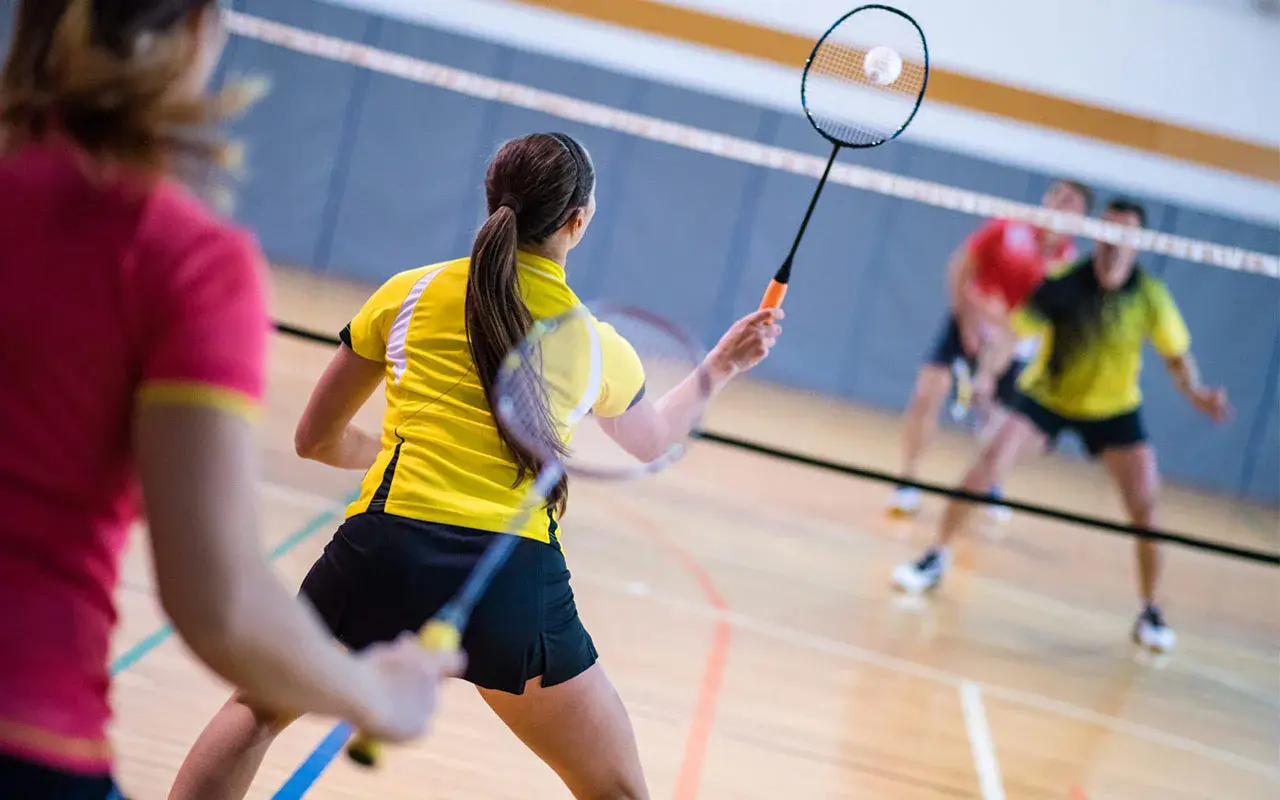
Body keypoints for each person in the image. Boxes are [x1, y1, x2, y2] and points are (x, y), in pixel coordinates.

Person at [169, 132, 783, 800]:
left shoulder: (410, 293)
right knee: (617, 792)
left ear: (494, 199)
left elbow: (315, 438)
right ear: (578, 222)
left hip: (382, 549)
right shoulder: (596, 345)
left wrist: (388, 456)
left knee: (256, 710)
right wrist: (721, 365)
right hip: (511, 581)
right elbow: (652, 438)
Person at [0, 2, 460, 797]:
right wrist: (375, 694)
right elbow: (220, 604)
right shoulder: (182, 259)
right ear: (194, 32)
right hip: (28, 735)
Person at [891, 199, 1230, 653]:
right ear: (1095, 233)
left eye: (1125, 233)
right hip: (1047, 399)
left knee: (1147, 510)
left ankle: (1150, 609)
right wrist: (989, 374)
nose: (1114, 241)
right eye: (1107, 230)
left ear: (1140, 242)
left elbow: (1175, 355)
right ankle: (935, 556)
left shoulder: (1149, 294)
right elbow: (1013, 333)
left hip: (1114, 410)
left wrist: (1197, 392)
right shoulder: (1062, 284)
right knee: (985, 466)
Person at [889, 180, 1093, 522]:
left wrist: (989, 369)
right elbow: (960, 268)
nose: (1058, 203)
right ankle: (906, 481)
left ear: (1081, 215)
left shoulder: (1068, 265)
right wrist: (968, 325)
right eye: (1054, 195)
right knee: (927, 393)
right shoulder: (1008, 227)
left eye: (1069, 201)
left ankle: (990, 483)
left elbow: (1035, 323)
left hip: (1013, 345)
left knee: (1003, 429)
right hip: (967, 322)